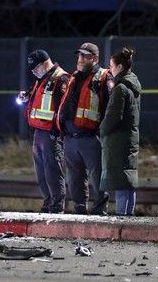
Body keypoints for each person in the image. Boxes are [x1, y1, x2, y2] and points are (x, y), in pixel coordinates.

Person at [56, 42, 113, 215]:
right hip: (70, 138)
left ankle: (99, 212)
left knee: (97, 179)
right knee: (75, 180)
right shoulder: (75, 76)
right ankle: (80, 211)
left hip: (91, 138)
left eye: (85, 56)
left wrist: (104, 134)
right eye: (79, 55)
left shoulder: (104, 77)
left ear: (94, 58)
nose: (80, 59)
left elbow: (112, 108)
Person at [22, 49, 70, 213]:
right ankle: (48, 202)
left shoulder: (61, 78)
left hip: (52, 134)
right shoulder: (42, 79)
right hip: (39, 132)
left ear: (45, 64)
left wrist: (58, 132)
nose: (33, 71)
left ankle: (57, 206)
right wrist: (27, 96)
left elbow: (63, 108)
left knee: (52, 171)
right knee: (41, 172)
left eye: (36, 68)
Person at [99, 47, 141, 216]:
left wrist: (101, 130)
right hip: (130, 138)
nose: (110, 70)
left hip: (118, 142)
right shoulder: (133, 85)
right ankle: (128, 219)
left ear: (120, 67)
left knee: (120, 182)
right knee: (128, 180)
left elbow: (113, 117)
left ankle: (121, 220)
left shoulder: (120, 89)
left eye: (112, 66)